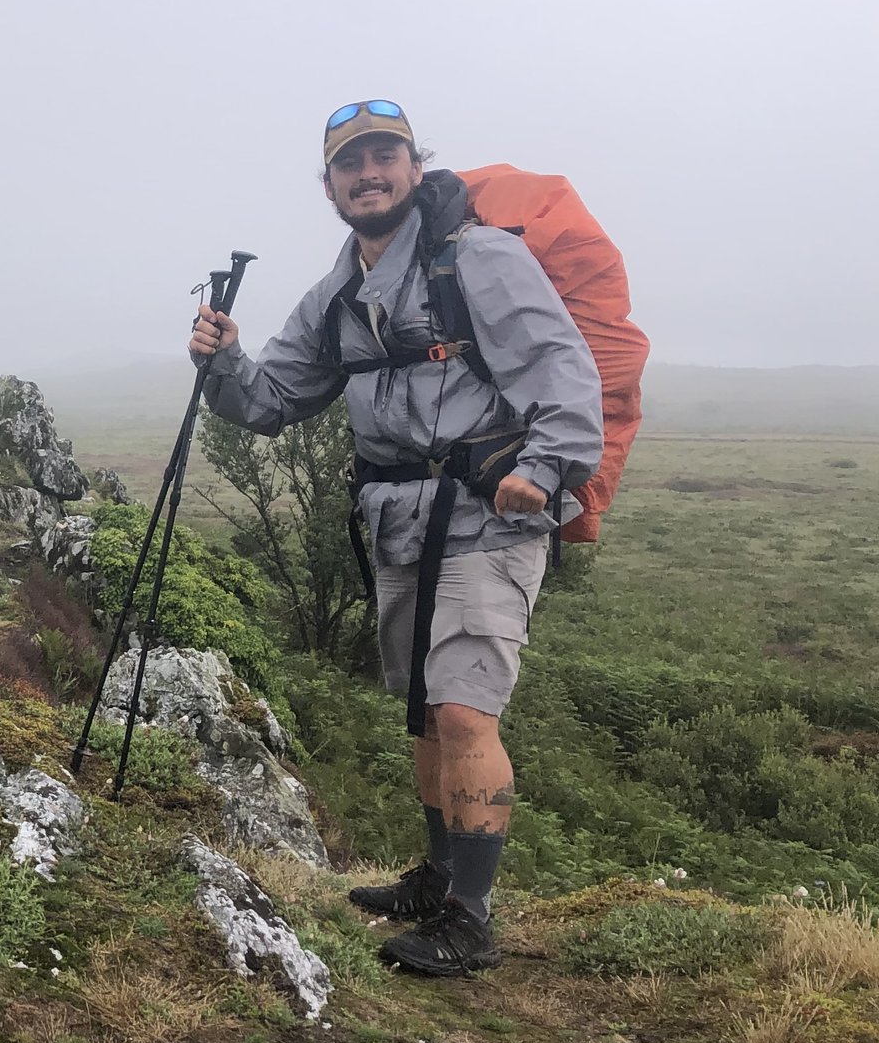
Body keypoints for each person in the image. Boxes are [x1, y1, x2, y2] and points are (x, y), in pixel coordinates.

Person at [188, 102, 602, 975]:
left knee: (462, 705)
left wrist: (553, 465)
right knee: (422, 708)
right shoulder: (338, 291)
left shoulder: (479, 257)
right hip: (401, 521)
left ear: (414, 167)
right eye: (350, 163)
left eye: (385, 156)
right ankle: (437, 873)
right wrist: (221, 358)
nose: (368, 173)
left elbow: (560, 364)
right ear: (331, 184)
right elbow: (270, 401)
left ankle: (471, 917)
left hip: (491, 512)